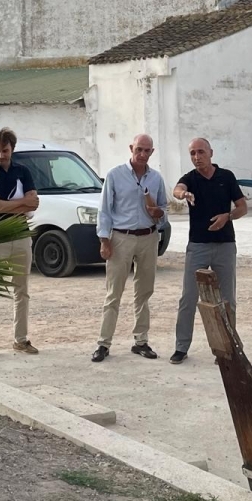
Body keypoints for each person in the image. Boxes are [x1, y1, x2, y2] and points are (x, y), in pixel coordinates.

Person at [92, 134, 168, 363]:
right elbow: (104, 210)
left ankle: (141, 341)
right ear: (131, 148)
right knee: (113, 292)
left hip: (148, 237)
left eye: (147, 150)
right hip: (121, 237)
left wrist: (159, 213)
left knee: (144, 291)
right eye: (139, 149)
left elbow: (164, 209)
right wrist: (104, 240)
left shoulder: (156, 178)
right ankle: (103, 343)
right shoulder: (115, 175)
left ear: (152, 152)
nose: (142, 154)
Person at [170, 137, 246, 364]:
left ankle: (227, 348)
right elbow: (177, 189)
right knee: (188, 298)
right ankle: (181, 347)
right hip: (198, 246)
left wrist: (227, 216)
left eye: (201, 152)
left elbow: (242, 207)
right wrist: (183, 194)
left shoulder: (226, 177)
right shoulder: (190, 179)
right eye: (192, 153)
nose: (197, 157)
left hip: (225, 245)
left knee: (227, 300)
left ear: (211, 153)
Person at [0, 128, 40, 359]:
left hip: (20, 235)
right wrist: (20, 204)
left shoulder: (23, 171)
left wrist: (4, 205)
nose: (0, 155)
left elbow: (34, 203)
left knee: (21, 290)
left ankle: (20, 339)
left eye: (4, 151)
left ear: (12, 149)